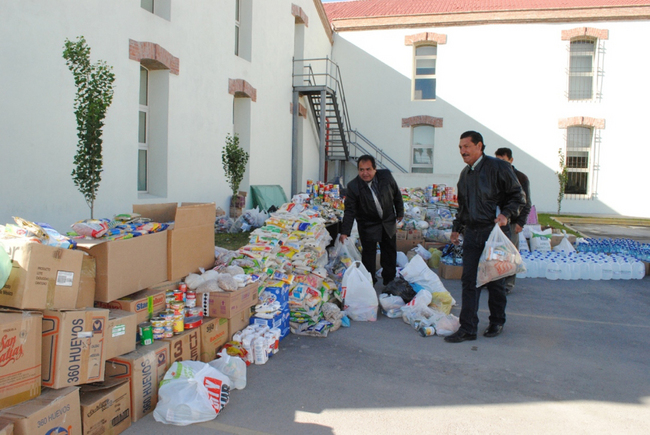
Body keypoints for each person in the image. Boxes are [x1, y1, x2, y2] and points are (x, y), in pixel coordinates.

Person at [445, 131, 525, 343]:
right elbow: (463, 207)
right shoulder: (465, 174)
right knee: (469, 281)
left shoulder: (498, 167)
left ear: (479, 146)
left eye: (466, 146)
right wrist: (456, 228)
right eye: (460, 147)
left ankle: (497, 321)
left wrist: (506, 215)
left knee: (495, 280)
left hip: (495, 233)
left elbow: (518, 196)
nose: (462, 151)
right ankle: (468, 328)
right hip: (472, 233)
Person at [340, 155, 404, 286]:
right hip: (367, 224)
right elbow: (350, 210)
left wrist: (400, 212)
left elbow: (396, 194)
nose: (365, 173)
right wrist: (345, 232)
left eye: (368, 169)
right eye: (361, 170)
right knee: (368, 256)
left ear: (375, 169)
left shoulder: (386, 176)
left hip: (387, 221)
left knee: (389, 253)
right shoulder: (353, 186)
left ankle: (389, 281)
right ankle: (369, 283)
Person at [495, 147, 532, 295]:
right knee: (495, 252)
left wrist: (520, 223)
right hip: (496, 221)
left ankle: (508, 284)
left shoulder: (521, 178)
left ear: (511, 160)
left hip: (512, 222)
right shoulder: (494, 176)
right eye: (497, 160)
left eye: (503, 161)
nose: (499, 164)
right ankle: (494, 280)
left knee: (510, 253)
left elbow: (526, 202)